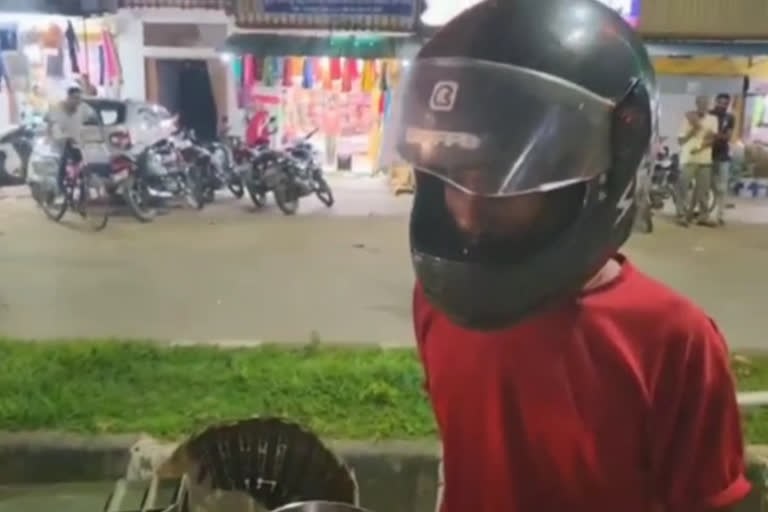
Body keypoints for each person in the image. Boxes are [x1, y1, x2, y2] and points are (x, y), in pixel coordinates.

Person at [379, 1, 749, 511]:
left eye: (496, 182)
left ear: (599, 173)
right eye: (448, 180)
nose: (464, 214)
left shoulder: (673, 340)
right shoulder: (439, 299)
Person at [677, 95, 718, 227]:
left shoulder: (713, 119)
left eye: (706, 103)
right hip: (688, 158)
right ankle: (681, 215)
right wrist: (693, 130)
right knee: (683, 186)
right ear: (697, 104)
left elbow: (712, 138)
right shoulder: (687, 118)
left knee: (703, 189)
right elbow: (680, 140)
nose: (704, 105)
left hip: (705, 159)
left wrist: (699, 149)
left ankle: (703, 216)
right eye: (701, 103)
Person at [45, 86, 97, 184]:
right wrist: (48, 137)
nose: (78, 101)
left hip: (78, 145)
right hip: (60, 145)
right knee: (62, 164)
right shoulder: (56, 109)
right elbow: (49, 124)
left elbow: (93, 117)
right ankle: (60, 184)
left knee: (84, 167)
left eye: (79, 98)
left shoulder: (83, 108)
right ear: (68, 97)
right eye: (75, 98)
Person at [711, 93, 736, 225]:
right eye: (720, 102)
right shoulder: (709, 115)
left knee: (722, 187)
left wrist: (714, 136)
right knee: (708, 185)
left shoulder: (730, 117)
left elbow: (728, 136)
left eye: (725, 103)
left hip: (723, 155)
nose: (722, 105)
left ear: (728, 104)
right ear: (715, 101)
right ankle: (706, 212)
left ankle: (721, 214)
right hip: (708, 154)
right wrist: (718, 136)